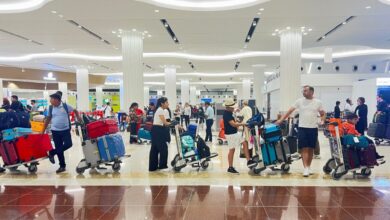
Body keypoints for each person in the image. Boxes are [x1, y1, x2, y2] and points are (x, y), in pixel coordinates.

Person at [276, 85, 325, 177]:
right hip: (302, 128)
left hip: (313, 128)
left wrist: (322, 120)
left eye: (305, 91)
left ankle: (308, 167)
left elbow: (323, 113)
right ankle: (305, 168)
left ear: (311, 92)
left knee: (311, 149)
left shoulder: (318, 102)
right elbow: (289, 111)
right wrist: (281, 120)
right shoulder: (299, 101)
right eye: (303, 91)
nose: (303, 92)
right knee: (304, 148)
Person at [43, 92, 81, 173]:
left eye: (51, 99)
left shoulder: (65, 106)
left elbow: (75, 110)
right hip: (55, 131)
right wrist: (42, 131)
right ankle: (62, 166)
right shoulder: (50, 107)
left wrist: (78, 117)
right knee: (59, 148)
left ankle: (52, 152)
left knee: (68, 144)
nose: (50, 101)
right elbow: (48, 119)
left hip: (65, 130)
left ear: (57, 100)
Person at [223, 98, 256, 174]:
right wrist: (243, 124)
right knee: (240, 145)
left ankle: (246, 161)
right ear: (228, 107)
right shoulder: (227, 114)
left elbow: (233, 122)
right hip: (231, 134)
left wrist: (238, 121)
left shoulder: (228, 113)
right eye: (232, 107)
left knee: (236, 147)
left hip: (232, 133)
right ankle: (247, 161)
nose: (233, 108)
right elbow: (233, 124)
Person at [149, 97, 172, 172]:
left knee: (155, 149)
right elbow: (165, 122)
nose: (168, 104)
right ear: (162, 103)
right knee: (163, 148)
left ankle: (153, 167)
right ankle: (162, 166)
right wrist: (173, 124)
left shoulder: (160, 110)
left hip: (156, 130)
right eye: (167, 102)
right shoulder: (160, 110)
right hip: (158, 130)